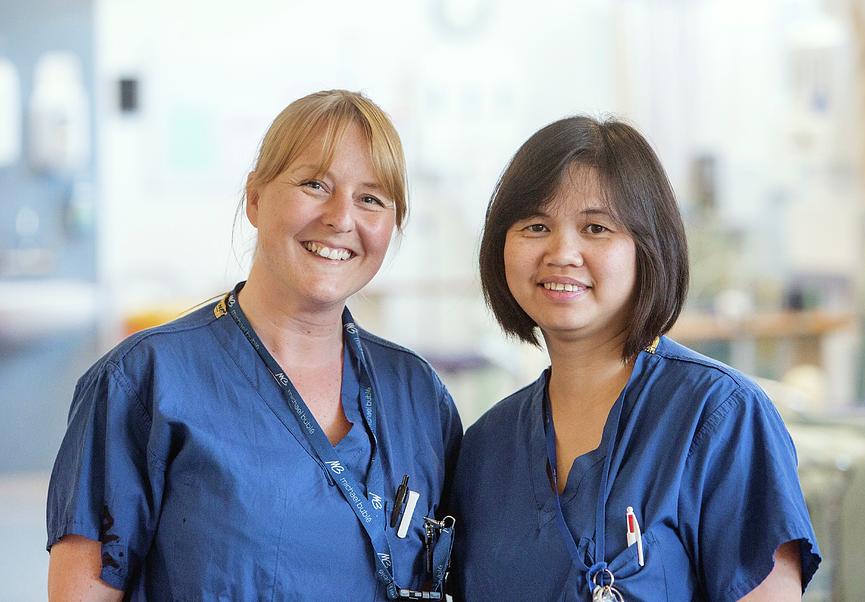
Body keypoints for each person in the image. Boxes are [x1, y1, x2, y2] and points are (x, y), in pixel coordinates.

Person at [46, 89, 462, 600]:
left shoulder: (418, 395)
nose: (341, 217)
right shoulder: (142, 383)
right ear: (255, 198)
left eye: (370, 199)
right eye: (315, 184)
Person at [449, 116, 820, 601]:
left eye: (596, 228)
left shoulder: (719, 417)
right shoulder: (486, 447)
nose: (562, 252)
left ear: (648, 248)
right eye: (536, 226)